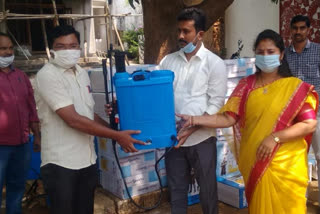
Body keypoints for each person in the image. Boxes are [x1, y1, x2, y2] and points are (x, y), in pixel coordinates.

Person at [178, 29, 318, 214]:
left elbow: (309, 124)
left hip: (287, 166)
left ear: (281, 54)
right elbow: (228, 117)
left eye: (271, 52)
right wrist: (195, 120)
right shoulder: (246, 85)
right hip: (255, 160)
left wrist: (275, 138)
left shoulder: (294, 87)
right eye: (260, 52)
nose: (265, 56)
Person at [34, 25, 144, 214]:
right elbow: (73, 120)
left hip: (87, 159)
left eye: (73, 45)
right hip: (61, 164)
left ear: (79, 47)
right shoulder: (47, 75)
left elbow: (89, 115)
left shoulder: (81, 73)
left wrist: (116, 133)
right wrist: (117, 137)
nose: (68, 50)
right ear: (51, 49)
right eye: (61, 46)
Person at [159, 8, 227, 214]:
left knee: (207, 192)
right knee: (177, 191)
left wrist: (193, 127)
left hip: (202, 139)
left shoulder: (214, 64)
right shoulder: (167, 62)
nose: (180, 36)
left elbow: (215, 105)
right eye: (179, 30)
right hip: (174, 139)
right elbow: (158, 98)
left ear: (200, 34)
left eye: (186, 31)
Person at [0, 32, 40, 214]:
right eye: (2, 48)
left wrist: (37, 136)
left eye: (10, 48)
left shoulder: (21, 77)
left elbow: (32, 109)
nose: (7, 52)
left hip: (22, 145)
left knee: (16, 190)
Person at [284, 15, 320, 204]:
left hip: (316, 114)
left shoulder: (318, 51)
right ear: (290, 30)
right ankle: (300, 199)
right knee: (297, 157)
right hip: (292, 115)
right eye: (295, 28)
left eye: (302, 28)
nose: (298, 32)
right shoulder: (284, 54)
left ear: (308, 30)